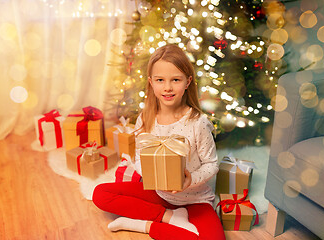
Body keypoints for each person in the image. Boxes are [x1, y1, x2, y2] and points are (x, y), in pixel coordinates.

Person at [92, 44, 225, 240]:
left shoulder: (198, 122)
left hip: (195, 199)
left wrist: (190, 179)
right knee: (100, 193)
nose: (167, 87)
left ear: (188, 82)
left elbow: (211, 165)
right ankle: (168, 217)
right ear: (151, 82)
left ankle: (143, 225)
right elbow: (138, 157)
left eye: (175, 80)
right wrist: (150, 175)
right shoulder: (146, 119)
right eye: (160, 80)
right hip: (158, 195)